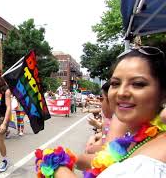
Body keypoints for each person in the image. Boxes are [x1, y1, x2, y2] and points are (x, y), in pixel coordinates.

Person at [50, 46, 166, 177]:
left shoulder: (152, 165)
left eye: (138, 84)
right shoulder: (140, 137)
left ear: (163, 93)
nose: (121, 93)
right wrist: (62, 157)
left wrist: (56, 168)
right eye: (115, 83)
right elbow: (107, 160)